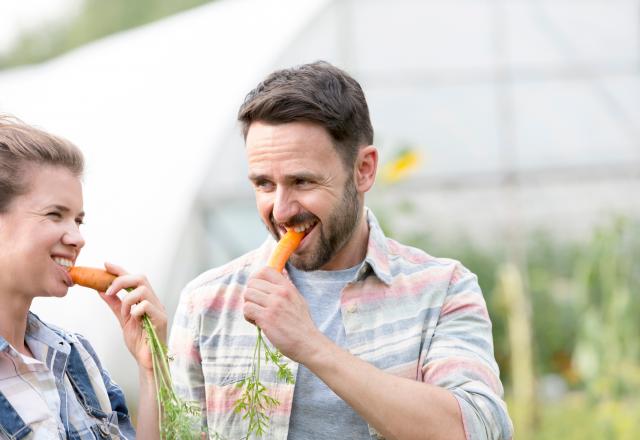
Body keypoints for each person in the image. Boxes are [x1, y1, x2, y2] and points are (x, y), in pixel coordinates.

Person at [170, 61, 513, 439]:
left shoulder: (443, 289)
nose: (281, 210)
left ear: (364, 169)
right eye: (264, 184)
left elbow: (476, 429)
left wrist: (311, 345)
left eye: (302, 181)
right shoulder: (206, 304)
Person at [0, 115, 166, 439]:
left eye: (78, 220)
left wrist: (151, 369)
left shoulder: (75, 356)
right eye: (54, 214)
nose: (77, 237)